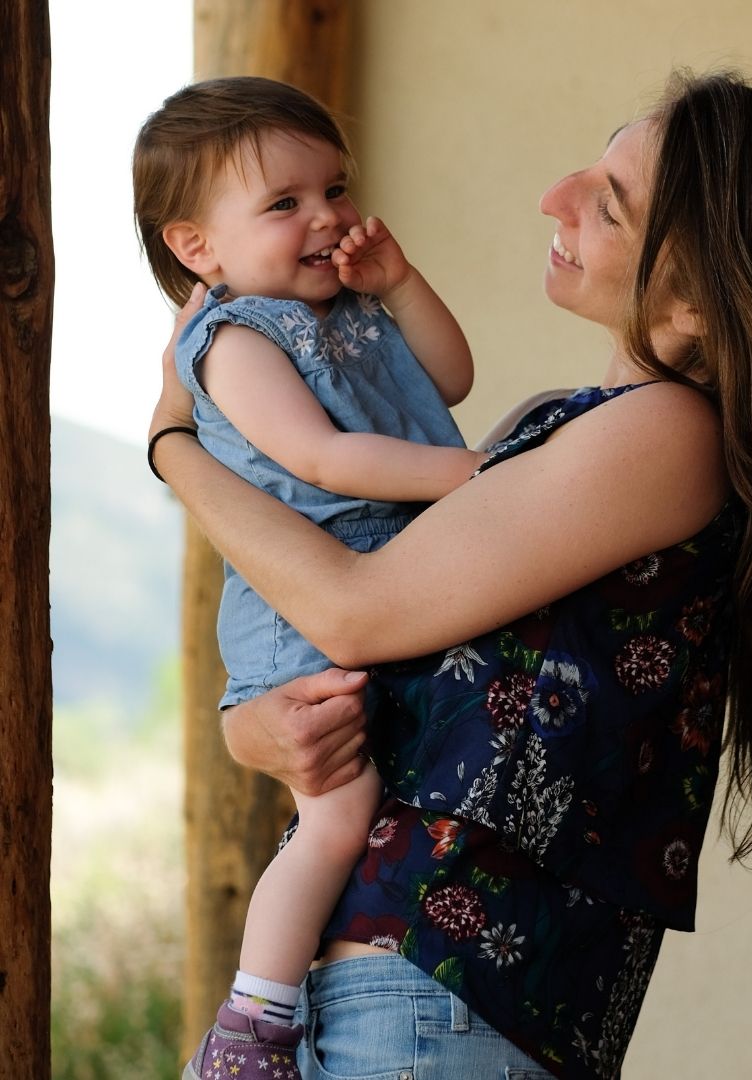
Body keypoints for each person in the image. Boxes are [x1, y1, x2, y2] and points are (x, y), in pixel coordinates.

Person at [148, 70, 752, 1080]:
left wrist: (176, 442)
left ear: (698, 297)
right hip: (385, 988)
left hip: (439, 1000)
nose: (558, 195)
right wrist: (263, 727)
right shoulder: (570, 431)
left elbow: (353, 609)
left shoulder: (666, 436)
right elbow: (374, 655)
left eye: (611, 202)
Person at [133, 76, 486, 1077]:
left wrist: (400, 283)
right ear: (197, 247)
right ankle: (254, 1020)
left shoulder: (354, 310)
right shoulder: (236, 341)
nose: (326, 216)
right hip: (300, 607)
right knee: (338, 804)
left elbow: (450, 379)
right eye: (284, 203)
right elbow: (323, 460)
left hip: (376, 574)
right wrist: (483, 477)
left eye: (335, 189)